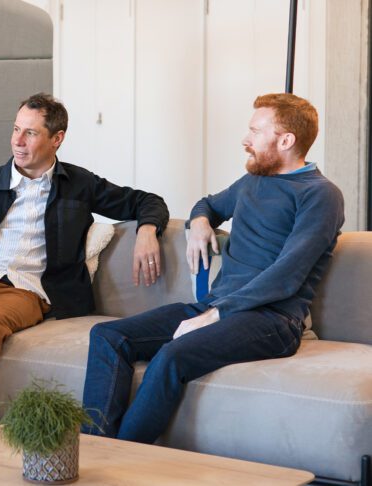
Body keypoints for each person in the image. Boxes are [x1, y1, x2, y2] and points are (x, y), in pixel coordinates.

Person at [81, 93, 344, 443]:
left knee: (172, 356)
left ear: (285, 140)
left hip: (272, 320)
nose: (245, 140)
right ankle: (94, 447)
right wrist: (200, 222)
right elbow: (207, 203)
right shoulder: (253, 181)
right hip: (217, 307)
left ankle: (124, 459)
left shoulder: (320, 195)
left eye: (255, 131)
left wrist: (214, 316)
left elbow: (287, 275)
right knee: (108, 336)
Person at [0, 93, 170, 415]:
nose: (18, 141)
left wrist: (147, 230)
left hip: (27, 289)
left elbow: (147, 201)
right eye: (16, 129)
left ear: (57, 139)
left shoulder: (79, 185)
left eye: (30, 133)